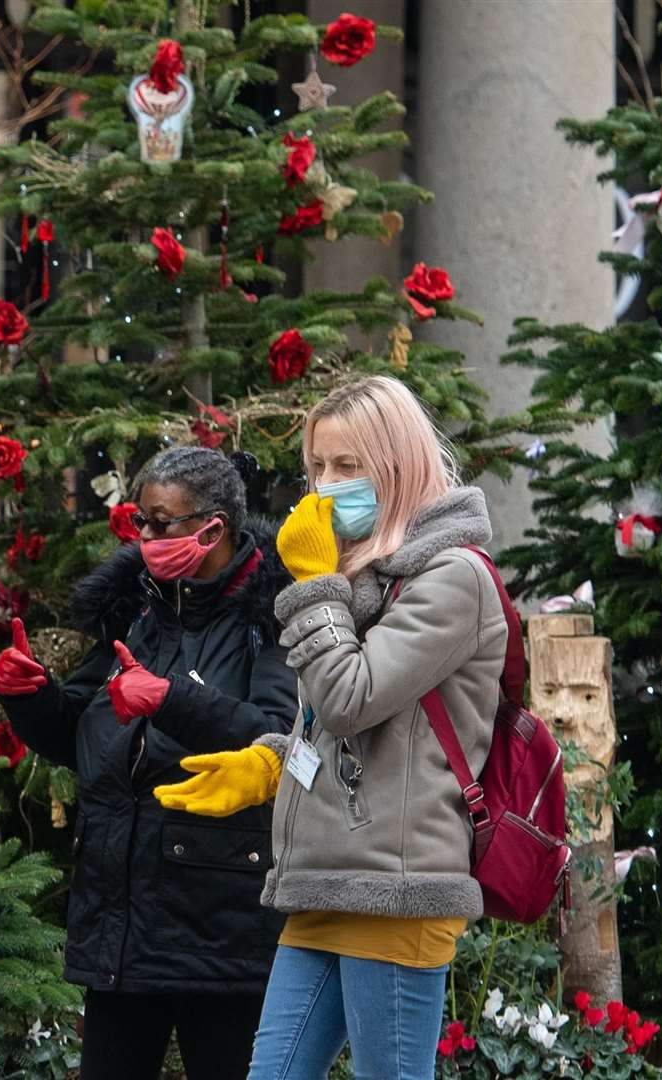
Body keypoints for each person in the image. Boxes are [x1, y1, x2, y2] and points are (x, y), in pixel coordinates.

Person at [153, 377, 508, 1080]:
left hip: (396, 888)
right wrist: (270, 763)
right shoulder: (367, 576)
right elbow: (343, 730)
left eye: (348, 467)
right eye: (316, 467)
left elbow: (351, 698)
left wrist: (315, 588)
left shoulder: (454, 577)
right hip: (327, 879)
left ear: (399, 466)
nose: (324, 486)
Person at [0, 446, 296, 1080]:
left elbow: (277, 738)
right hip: (119, 924)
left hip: (220, 929)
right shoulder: (137, 608)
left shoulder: (272, 618)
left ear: (213, 528)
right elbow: (81, 734)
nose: (146, 538)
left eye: (162, 523)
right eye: (141, 522)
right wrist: (29, 698)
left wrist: (170, 699)